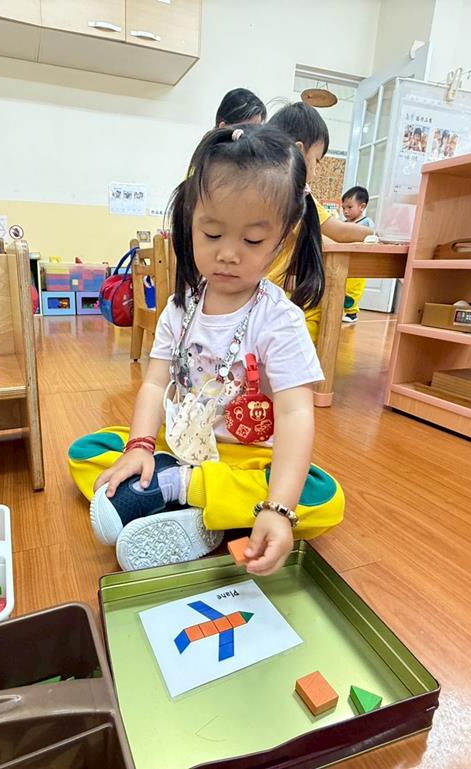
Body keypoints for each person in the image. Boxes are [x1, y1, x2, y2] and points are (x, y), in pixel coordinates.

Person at [68, 125, 344, 576]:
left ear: (284, 237)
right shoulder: (180, 307)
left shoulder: (279, 319)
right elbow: (154, 383)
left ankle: (178, 494)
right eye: (212, 234)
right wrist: (139, 446)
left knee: (322, 497)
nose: (228, 254)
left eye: (252, 241)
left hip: (246, 460)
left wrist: (278, 508)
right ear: (189, 222)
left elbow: (296, 414)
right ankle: (203, 511)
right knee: (88, 450)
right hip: (178, 446)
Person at [265, 102, 370, 341]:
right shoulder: (296, 195)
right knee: (319, 307)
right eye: (317, 160)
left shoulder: (264, 187)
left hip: (261, 289)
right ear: (299, 151)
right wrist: (377, 233)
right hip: (270, 294)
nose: (316, 169)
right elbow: (338, 232)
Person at [340, 186, 376, 324]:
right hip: (344, 262)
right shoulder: (344, 224)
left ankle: (352, 312)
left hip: (358, 263)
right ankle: (340, 310)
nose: (346, 211)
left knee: (353, 289)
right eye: (343, 208)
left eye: (350, 207)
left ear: (362, 207)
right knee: (340, 287)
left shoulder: (366, 223)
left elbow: (372, 239)